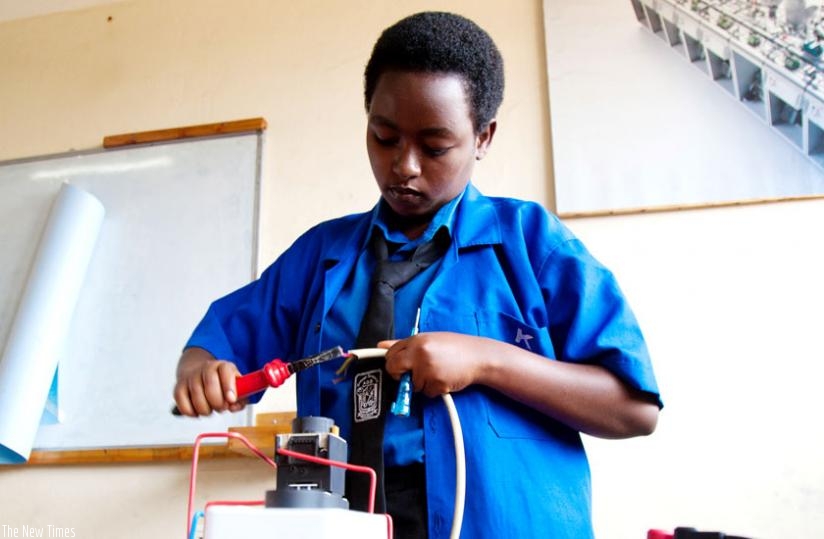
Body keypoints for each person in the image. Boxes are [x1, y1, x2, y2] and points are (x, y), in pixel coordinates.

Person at [173, 11, 662, 539]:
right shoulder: (320, 256)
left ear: (483, 136)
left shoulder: (533, 245)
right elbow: (215, 348)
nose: (404, 166)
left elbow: (634, 408)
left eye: (434, 147)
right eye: (384, 138)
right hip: (347, 523)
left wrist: (488, 360)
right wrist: (200, 369)